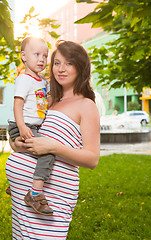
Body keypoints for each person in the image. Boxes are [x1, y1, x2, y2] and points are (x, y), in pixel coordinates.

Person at [6, 40, 100, 239]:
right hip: (22, 197)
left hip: (52, 197)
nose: (61, 69)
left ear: (81, 67)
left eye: (69, 63)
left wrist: (53, 147)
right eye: (56, 63)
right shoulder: (48, 101)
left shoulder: (86, 105)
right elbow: (29, 137)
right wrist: (16, 144)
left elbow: (92, 159)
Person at [7, 36, 54, 215]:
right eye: (36, 54)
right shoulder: (24, 79)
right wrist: (21, 127)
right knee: (47, 152)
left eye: (45, 55)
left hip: (32, 126)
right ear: (24, 56)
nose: (42, 59)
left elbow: (49, 100)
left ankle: (17, 186)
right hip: (22, 125)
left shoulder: (43, 82)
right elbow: (17, 104)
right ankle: (34, 194)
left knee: (32, 155)